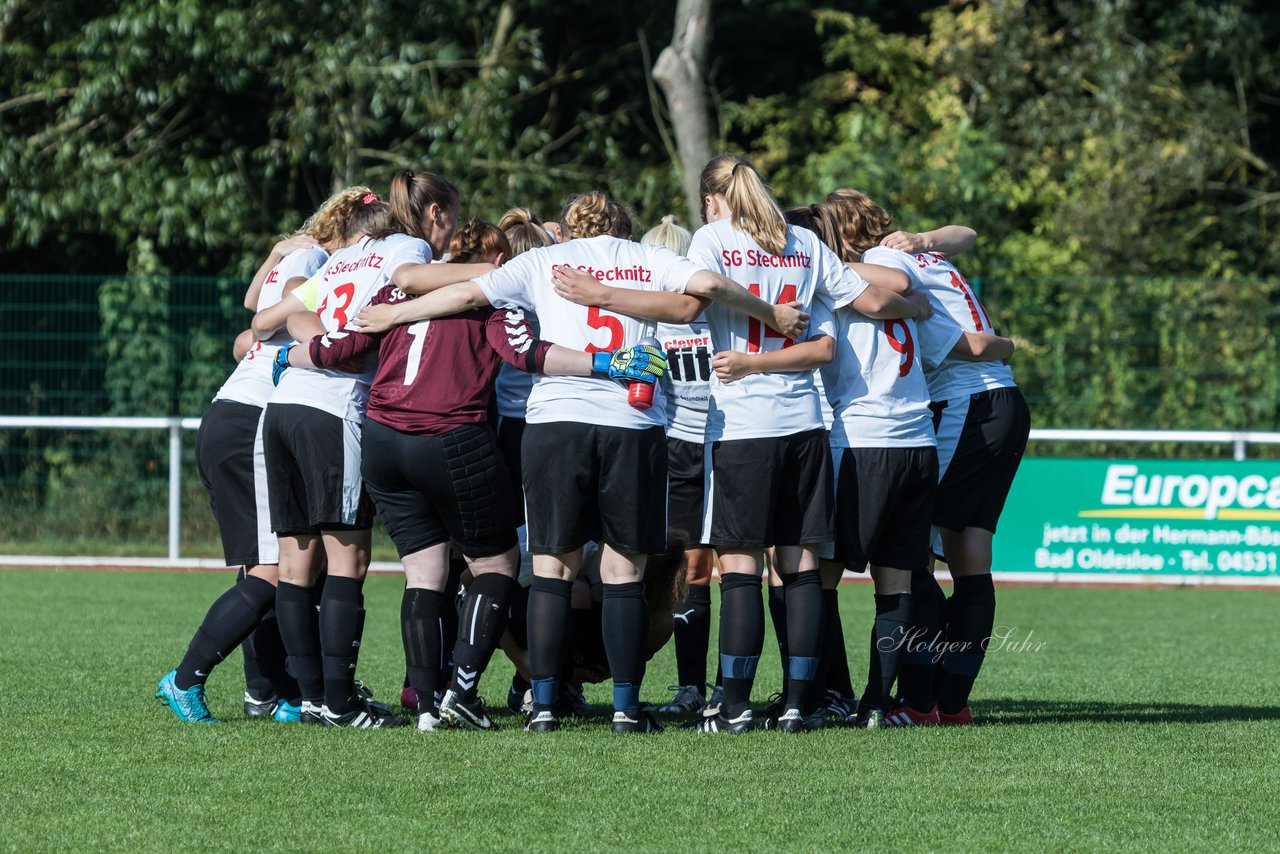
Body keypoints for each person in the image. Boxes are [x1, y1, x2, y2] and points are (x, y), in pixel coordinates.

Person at [350, 189, 808, 734]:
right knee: (622, 571)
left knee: (551, 569)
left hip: (554, 422)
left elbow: (463, 295)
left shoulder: (542, 259)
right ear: (624, 224)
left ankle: (542, 706)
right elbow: (706, 287)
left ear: (569, 226)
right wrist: (770, 312)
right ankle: (624, 708)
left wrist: (392, 316)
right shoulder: (646, 257)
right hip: (630, 424)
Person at [550, 157, 933, 734]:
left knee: (739, 568)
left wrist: (600, 295)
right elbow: (871, 303)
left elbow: (685, 305)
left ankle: (733, 706)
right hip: (804, 423)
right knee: (800, 565)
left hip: (742, 424)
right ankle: (801, 705)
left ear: (711, 201)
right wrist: (919, 307)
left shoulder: (713, 239)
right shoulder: (803, 241)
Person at [261, 170, 483, 729]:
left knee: (295, 562)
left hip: (285, 406)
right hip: (335, 411)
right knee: (349, 560)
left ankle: (314, 698)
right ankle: (339, 703)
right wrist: (505, 270)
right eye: (452, 216)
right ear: (435, 214)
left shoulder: (343, 257)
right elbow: (413, 277)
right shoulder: (404, 249)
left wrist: (317, 345)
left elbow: (277, 314)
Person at [154, 188, 378, 724]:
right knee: (277, 573)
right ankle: (185, 679)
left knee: (268, 566)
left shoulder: (302, 256)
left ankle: (265, 690)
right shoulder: (325, 263)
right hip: (253, 419)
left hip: (237, 413)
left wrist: (277, 255)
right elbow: (261, 320)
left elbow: (252, 317)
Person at [826, 188, 1032, 725]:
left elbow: (976, 346)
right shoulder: (916, 250)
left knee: (907, 551)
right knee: (969, 559)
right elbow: (966, 233)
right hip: (1001, 403)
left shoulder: (877, 262)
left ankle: (919, 701)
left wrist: (1003, 344)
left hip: (970, 404)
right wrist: (927, 237)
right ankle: (951, 703)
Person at [632, 215, 718, 717]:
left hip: (669, 449)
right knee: (697, 571)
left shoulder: (646, 314)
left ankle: (678, 687)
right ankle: (693, 687)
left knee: (671, 571)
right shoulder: (708, 312)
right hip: (700, 448)